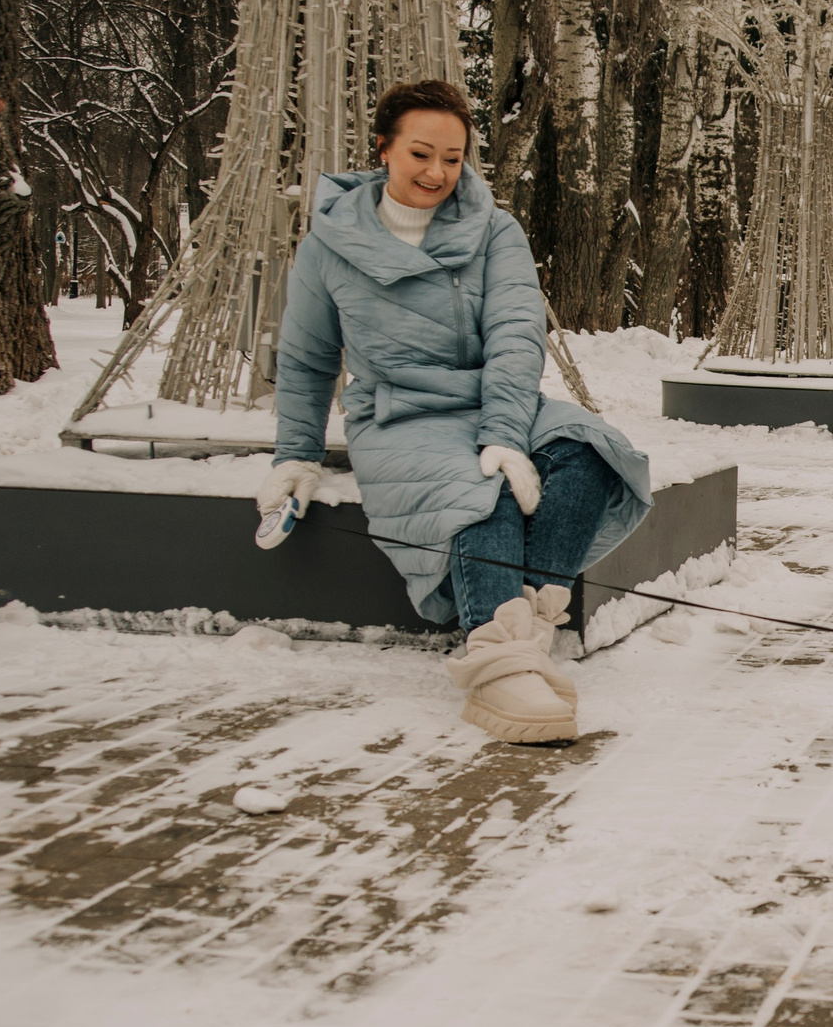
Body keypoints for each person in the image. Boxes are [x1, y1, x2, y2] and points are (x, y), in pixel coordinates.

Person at [254, 79, 651, 744]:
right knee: (478, 491)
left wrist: (502, 433)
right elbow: (307, 359)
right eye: (420, 154)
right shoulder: (329, 244)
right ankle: (497, 658)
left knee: (589, 452)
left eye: (452, 157)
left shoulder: (494, 230)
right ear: (383, 149)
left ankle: (520, 633)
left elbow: (516, 335)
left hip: (498, 399)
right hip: (401, 415)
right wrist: (296, 454)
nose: (437, 172)